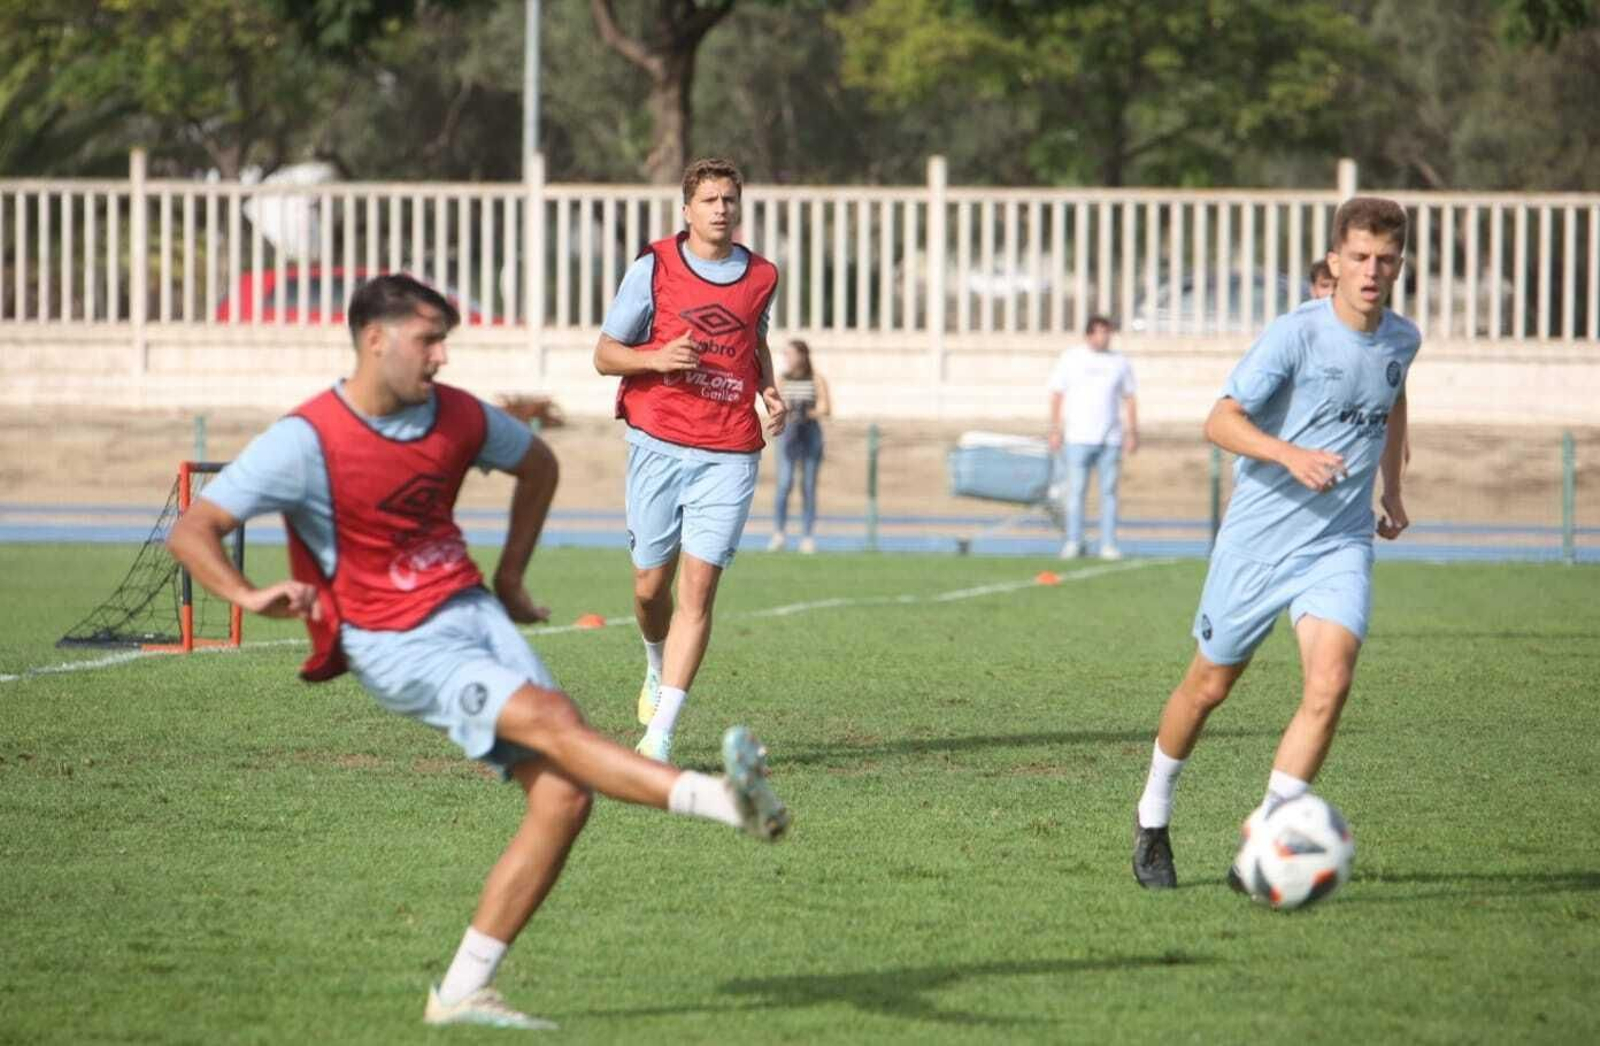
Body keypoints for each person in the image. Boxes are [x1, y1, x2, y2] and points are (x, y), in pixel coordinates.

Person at [167, 274, 790, 1030]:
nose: (441, 358)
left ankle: (461, 991)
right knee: (556, 718)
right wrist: (247, 594)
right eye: (428, 341)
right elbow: (194, 528)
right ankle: (726, 801)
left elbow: (539, 464)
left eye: (444, 342)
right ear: (374, 339)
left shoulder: (456, 415)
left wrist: (513, 575)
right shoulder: (306, 441)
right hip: (394, 642)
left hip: (470, 613)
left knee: (563, 796)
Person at [1129, 197, 1418, 891]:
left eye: (1384, 259)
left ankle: (1268, 835)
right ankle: (1153, 816)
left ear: (1400, 264)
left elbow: (1393, 400)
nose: (1371, 271)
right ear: (1334, 262)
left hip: (1339, 544)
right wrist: (1291, 455)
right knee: (1208, 686)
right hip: (1259, 542)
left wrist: (1393, 488)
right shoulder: (1294, 335)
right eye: (1358, 258)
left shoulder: (1403, 340)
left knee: (1331, 682)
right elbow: (1219, 421)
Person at [593, 158, 786, 764]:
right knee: (652, 588)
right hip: (658, 441)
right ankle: (655, 663)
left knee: (698, 593)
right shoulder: (655, 266)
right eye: (709, 200)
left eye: (729, 199)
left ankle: (661, 736)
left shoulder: (762, 275)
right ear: (687, 209)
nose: (721, 209)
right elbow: (604, 354)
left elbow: (754, 340)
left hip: (729, 449)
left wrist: (768, 391)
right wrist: (656, 360)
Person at [1046, 315, 1139, 560]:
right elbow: (1057, 394)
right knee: (1075, 492)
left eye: (1107, 333)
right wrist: (1055, 429)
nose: (1103, 337)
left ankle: (1108, 544)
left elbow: (1129, 397)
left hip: (1110, 438)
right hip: (1078, 437)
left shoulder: (1119, 362)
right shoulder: (1071, 358)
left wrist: (1131, 432)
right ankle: (1074, 541)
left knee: (1108, 493)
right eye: (1098, 332)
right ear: (1089, 335)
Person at [767, 339, 831, 554]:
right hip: (788, 434)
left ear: (803, 356)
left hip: (810, 432)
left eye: (791, 354)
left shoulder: (816, 378)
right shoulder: (782, 379)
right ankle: (779, 533)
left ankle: (807, 536)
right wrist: (787, 411)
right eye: (786, 355)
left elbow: (826, 407)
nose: (788, 359)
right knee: (785, 484)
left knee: (809, 486)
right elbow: (772, 405)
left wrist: (808, 412)